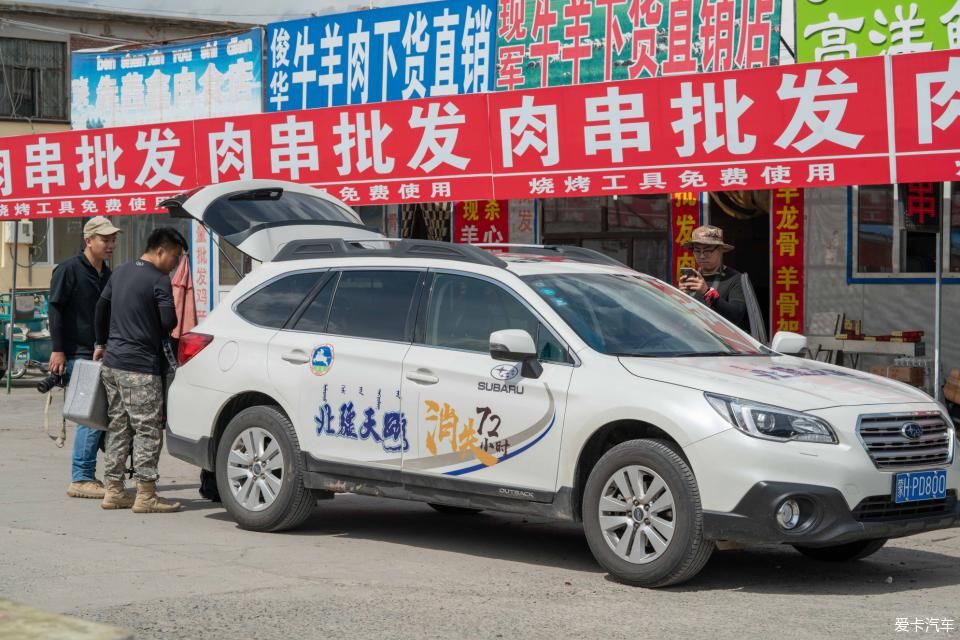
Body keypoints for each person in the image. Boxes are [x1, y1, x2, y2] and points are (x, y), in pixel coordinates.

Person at [94, 227, 187, 513]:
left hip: (112, 365)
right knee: (147, 430)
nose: (176, 263)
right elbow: (169, 322)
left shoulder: (119, 272)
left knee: (118, 427)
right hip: (140, 368)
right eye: (175, 256)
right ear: (161, 250)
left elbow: (101, 308)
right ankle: (146, 495)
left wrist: (101, 342)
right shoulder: (158, 279)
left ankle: (113, 491)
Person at [49, 216, 120, 499]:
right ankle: (81, 477)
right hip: (77, 353)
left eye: (113, 239)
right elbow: (55, 309)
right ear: (88, 240)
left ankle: (95, 473)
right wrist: (57, 350)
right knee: (90, 417)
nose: (111, 244)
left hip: (102, 352)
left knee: (102, 416)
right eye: (105, 239)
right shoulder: (68, 270)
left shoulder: (107, 273)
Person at [679, 225, 749, 332]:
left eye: (707, 251)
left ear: (720, 250)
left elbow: (736, 315)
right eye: (697, 251)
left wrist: (707, 292)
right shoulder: (692, 278)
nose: (702, 256)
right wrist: (678, 296)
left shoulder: (735, 278)